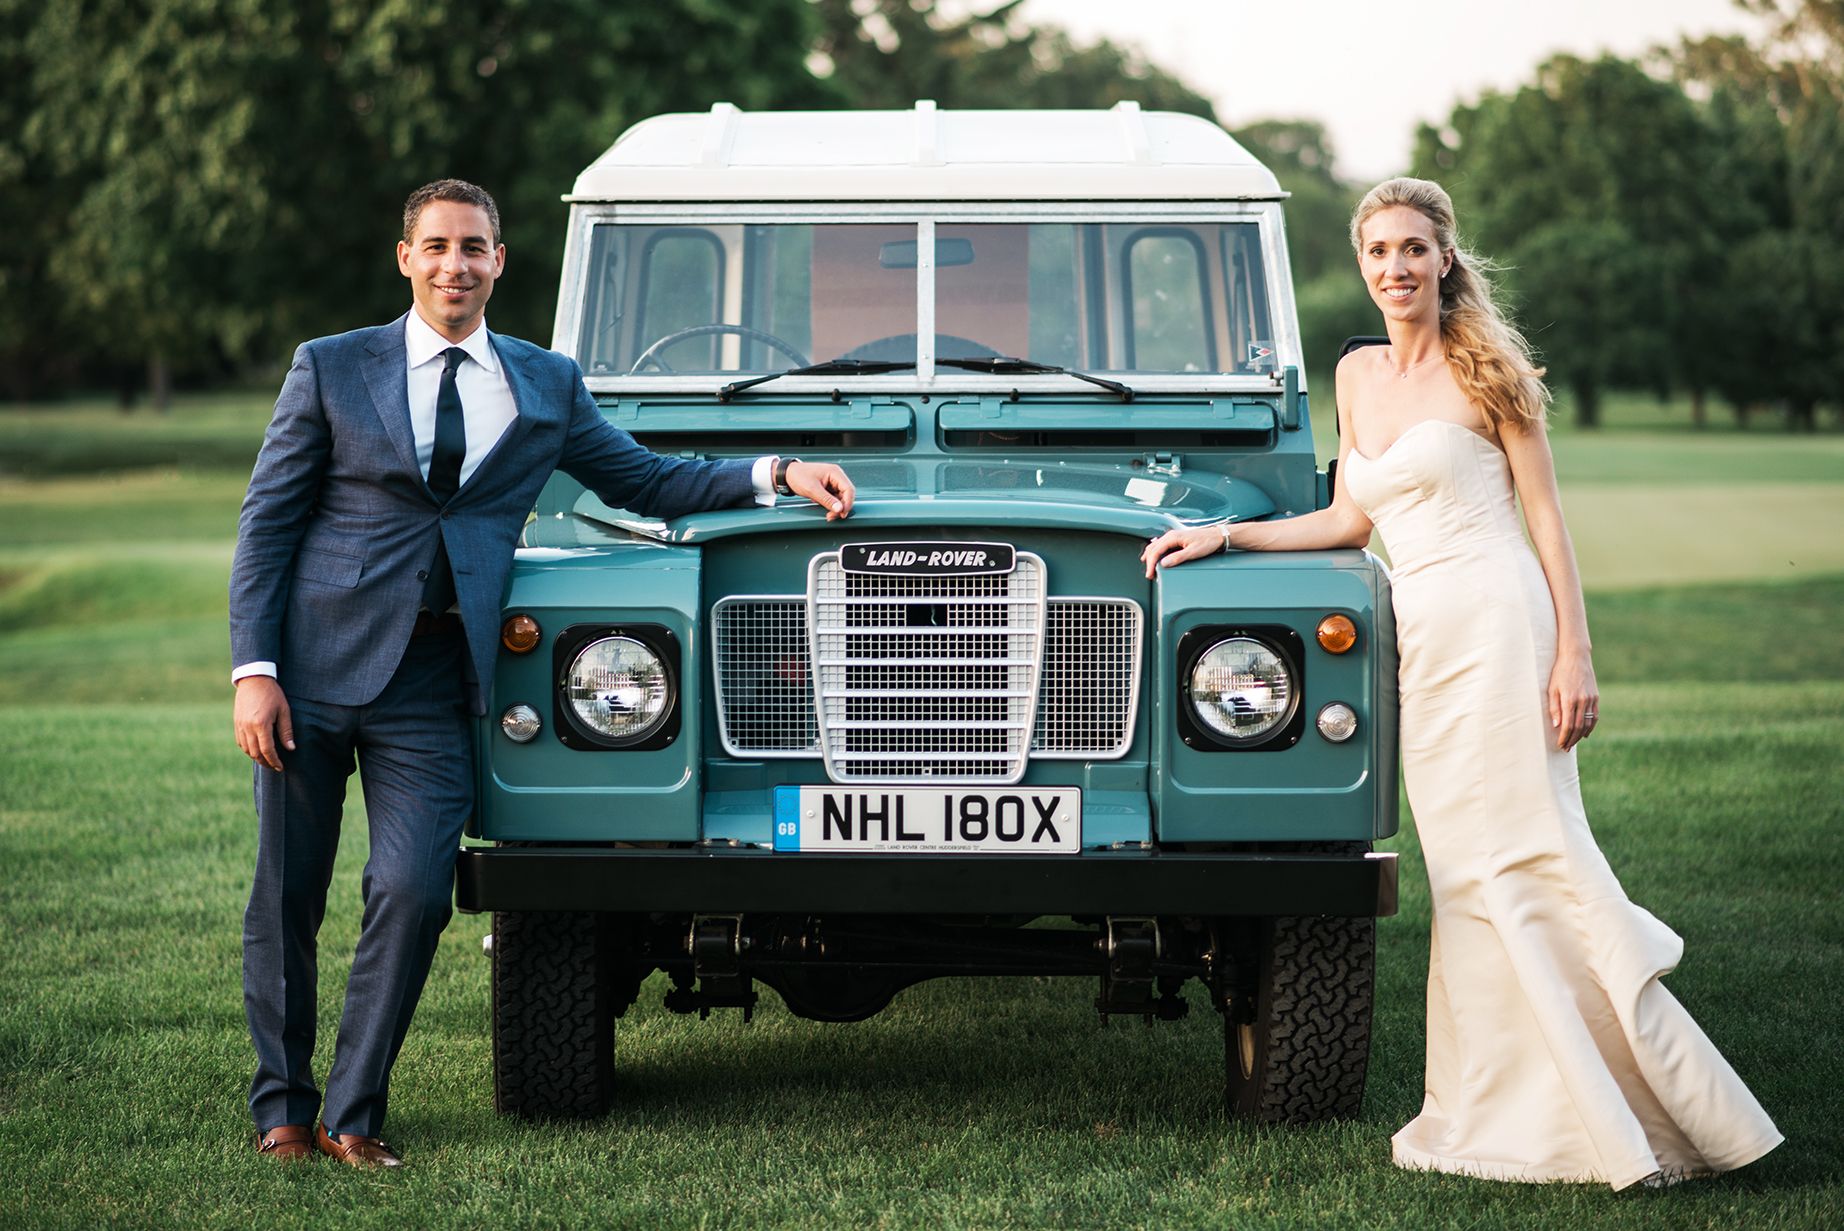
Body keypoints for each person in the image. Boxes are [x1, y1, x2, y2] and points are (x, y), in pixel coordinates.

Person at [1142, 177, 1781, 1189]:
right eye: (1376, 252)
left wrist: (1574, 652)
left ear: (1445, 257)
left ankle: (1632, 1113)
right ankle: (1502, 1105)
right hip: (1421, 643)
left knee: (1525, 857)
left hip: (1499, 621)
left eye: (1411, 248)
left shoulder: (1489, 369)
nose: (1393, 267)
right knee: (1463, 876)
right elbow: (1349, 523)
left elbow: (1546, 524)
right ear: (1360, 265)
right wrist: (1223, 535)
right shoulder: (1353, 378)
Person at [230, 179, 854, 1167]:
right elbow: (267, 523)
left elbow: (645, 479)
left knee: (416, 888)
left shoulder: (543, 383)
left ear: (499, 261)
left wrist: (772, 472)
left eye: (472, 247)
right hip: (312, 668)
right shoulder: (330, 366)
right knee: (287, 898)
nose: (453, 266)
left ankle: (351, 1114)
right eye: (434, 246)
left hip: (439, 679)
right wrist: (253, 670)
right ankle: (281, 1107)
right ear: (405, 259)